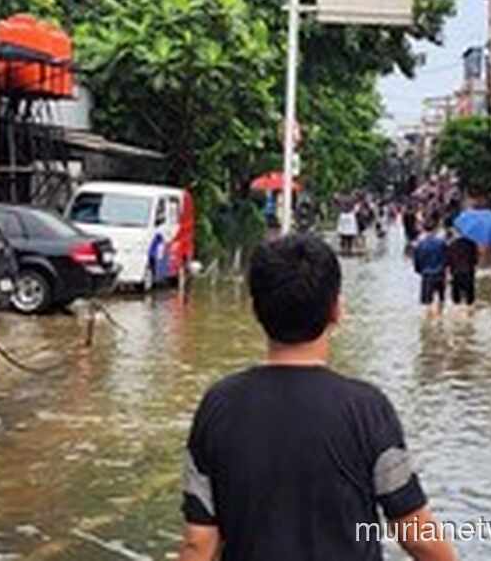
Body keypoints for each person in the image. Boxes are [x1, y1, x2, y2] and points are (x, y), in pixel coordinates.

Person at [177, 235, 457, 561]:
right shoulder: (367, 408)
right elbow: (415, 533)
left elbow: (199, 543)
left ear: (254, 310)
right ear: (336, 310)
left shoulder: (218, 405)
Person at [413, 217, 447, 319]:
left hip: (427, 275)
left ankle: (429, 322)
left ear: (423, 229)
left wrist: (420, 271)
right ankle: (440, 318)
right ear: (435, 229)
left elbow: (417, 262)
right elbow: (446, 258)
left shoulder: (420, 245)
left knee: (427, 303)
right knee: (441, 299)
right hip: (440, 274)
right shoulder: (441, 242)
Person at [445, 231, 479, 318]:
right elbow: (475, 261)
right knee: (469, 301)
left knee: (456, 301)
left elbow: (448, 261)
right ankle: (468, 318)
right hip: (468, 274)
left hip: (456, 274)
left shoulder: (451, 244)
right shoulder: (472, 244)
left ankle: (457, 318)